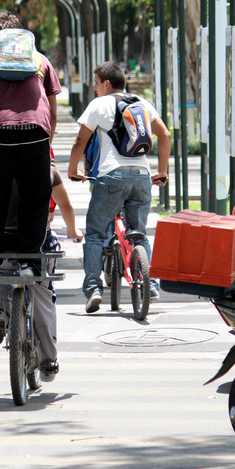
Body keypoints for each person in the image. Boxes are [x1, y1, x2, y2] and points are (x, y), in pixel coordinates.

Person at [67, 60, 171, 313]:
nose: (94, 88)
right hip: (142, 176)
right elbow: (165, 135)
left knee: (95, 234)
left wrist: (72, 170)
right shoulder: (141, 102)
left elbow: (80, 140)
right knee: (139, 233)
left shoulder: (98, 104)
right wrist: (162, 171)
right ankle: (151, 284)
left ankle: (93, 289)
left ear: (106, 83)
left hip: (112, 175)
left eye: (96, 83)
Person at [0, 12, 61, 283]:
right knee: (35, 200)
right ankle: (31, 263)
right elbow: (53, 113)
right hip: (36, 136)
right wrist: (45, 143)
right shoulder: (40, 60)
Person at [0, 158, 83, 381]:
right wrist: (73, 231)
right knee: (43, 294)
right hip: (37, 244)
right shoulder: (45, 166)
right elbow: (65, 206)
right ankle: (48, 359)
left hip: (2, 242)